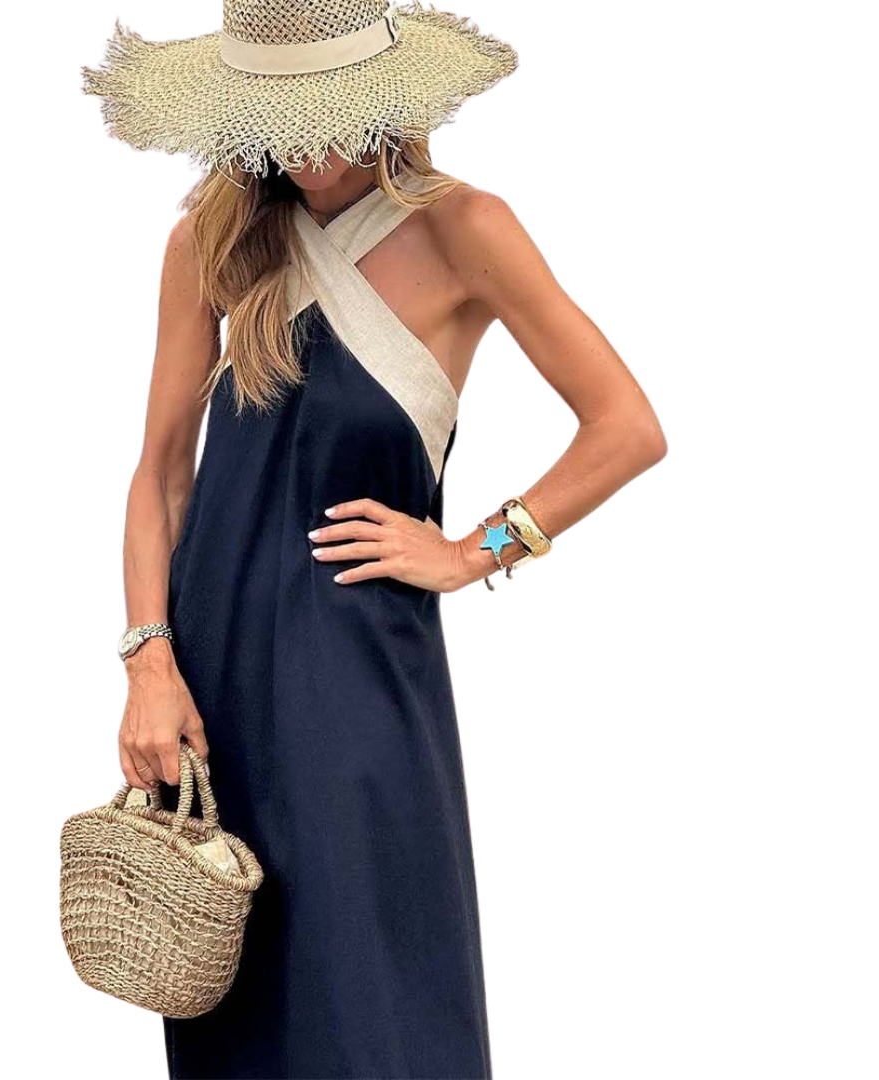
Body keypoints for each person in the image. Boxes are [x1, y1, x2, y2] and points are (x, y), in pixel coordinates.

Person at [82, 2, 666, 1077]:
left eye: (331, 112)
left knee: (375, 995)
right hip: (212, 686)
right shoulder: (211, 237)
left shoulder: (466, 230)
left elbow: (627, 427)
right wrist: (148, 664)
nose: (307, 148)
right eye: (280, 117)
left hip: (360, 673)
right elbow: (161, 475)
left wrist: (478, 550)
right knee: (237, 1018)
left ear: (388, 102)